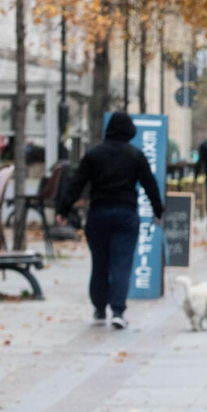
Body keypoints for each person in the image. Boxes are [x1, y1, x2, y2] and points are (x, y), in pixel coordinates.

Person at [55, 112, 163, 330]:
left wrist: (63, 210)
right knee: (122, 263)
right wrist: (158, 211)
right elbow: (149, 184)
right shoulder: (136, 155)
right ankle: (118, 310)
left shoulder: (93, 154)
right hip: (126, 215)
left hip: (99, 214)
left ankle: (99, 308)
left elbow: (77, 183)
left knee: (100, 263)